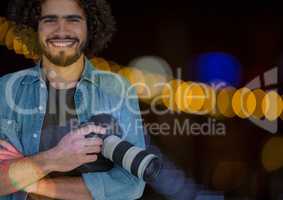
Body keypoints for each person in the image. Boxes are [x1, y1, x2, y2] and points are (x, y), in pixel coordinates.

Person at [0, 0, 146, 199]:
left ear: (90, 28)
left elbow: (131, 185)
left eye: (73, 20)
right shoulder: (6, 89)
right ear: (35, 26)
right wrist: (54, 159)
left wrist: (33, 181)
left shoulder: (116, 89)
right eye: (50, 20)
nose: (61, 30)